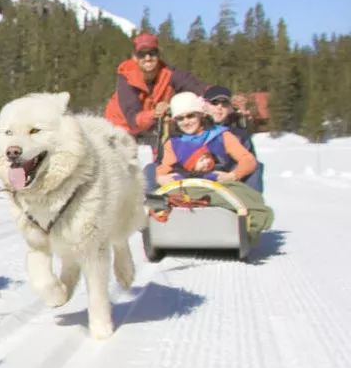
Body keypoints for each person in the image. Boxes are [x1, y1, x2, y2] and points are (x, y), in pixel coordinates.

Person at [156, 91, 273, 239]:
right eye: (180, 118)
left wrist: (233, 175)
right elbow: (163, 168)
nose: (186, 122)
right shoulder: (173, 143)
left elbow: (248, 160)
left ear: (201, 115)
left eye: (191, 116)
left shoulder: (221, 135)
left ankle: (247, 227)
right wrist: (160, 178)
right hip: (187, 185)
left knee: (247, 196)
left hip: (217, 183)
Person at [105, 33, 209, 140]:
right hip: (119, 129)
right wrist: (156, 113)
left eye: (152, 53)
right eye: (142, 54)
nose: (148, 58)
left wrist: (216, 98)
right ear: (135, 57)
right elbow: (134, 120)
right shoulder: (127, 77)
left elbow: (195, 86)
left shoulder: (169, 74)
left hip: (150, 128)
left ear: (158, 55)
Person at [204, 85, 264, 192]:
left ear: (230, 108)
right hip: (201, 177)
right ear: (205, 105)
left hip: (231, 178)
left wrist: (233, 176)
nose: (219, 107)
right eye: (215, 102)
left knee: (255, 167)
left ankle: (251, 204)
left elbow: (250, 161)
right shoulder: (194, 126)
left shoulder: (239, 134)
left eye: (224, 103)